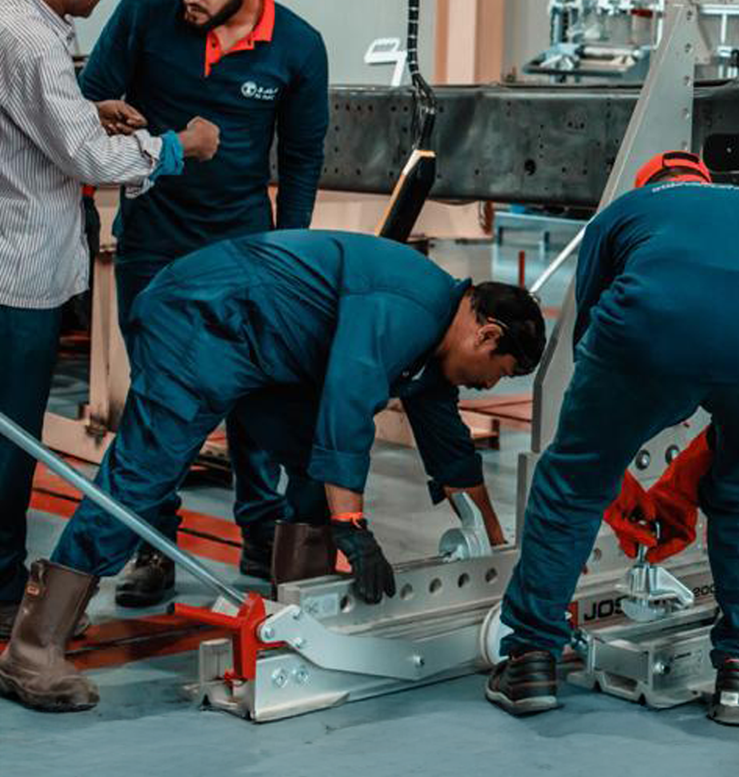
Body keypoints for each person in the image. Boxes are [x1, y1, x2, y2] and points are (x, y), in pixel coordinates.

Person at [0, 230, 544, 713]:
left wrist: (495, 550)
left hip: (263, 345)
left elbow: (448, 442)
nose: (489, 386)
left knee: (314, 465)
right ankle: (34, 644)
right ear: (486, 335)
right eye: (498, 373)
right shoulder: (411, 306)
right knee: (144, 477)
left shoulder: (435, 336)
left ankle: (297, 614)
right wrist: (351, 524)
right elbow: (349, 398)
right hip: (203, 316)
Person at [489, 151, 739, 727]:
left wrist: (604, 458)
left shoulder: (625, 211)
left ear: (649, 183)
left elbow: (590, 331)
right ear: (706, 181)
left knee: (571, 484)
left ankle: (529, 660)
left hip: (651, 334)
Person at [81, 0, 330, 606]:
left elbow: (302, 159)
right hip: (153, 240)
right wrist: (112, 118)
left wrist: (288, 254)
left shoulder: (298, 47)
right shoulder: (144, 11)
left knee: (253, 390)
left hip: (245, 244)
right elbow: (88, 97)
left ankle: (261, 530)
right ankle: (153, 543)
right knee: (157, 398)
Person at [0, 0, 219, 643]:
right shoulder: (33, 42)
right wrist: (179, 146)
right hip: (20, 277)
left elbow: (38, 124)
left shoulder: (17, 22)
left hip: (20, 265)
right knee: (13, 445)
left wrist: (90, 110)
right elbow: (88, 161)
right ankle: (2, 591)